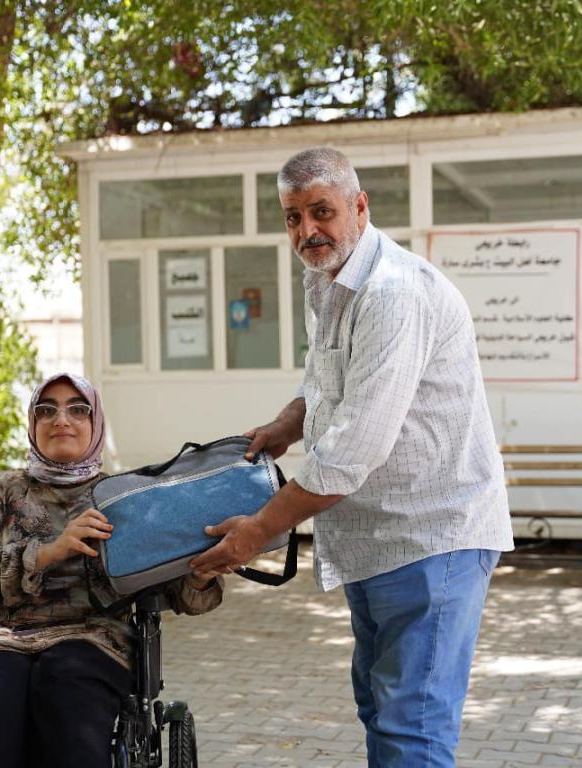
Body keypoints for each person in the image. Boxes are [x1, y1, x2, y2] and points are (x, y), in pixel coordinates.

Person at [191, 147, 514, 767]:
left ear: (360, 207)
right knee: (381, 708)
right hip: (377, 538)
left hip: (432, 537)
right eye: (293, 217)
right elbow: (330, 380)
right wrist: (290, 421)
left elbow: (355, 447)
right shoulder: (328, 279)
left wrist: (257, 531)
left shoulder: (393, 293)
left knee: (411, 728)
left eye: (322, 211)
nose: (307, 230)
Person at [0, 373, 223, 768]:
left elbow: (176, 590)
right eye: (47, 410)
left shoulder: (122, 496)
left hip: (93, 638)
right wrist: (47, 552)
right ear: (33, 425)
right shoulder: (2, 490)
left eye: (78, 410)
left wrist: (201, 573)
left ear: (96, 425)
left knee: (70, 709)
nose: (61, 419)